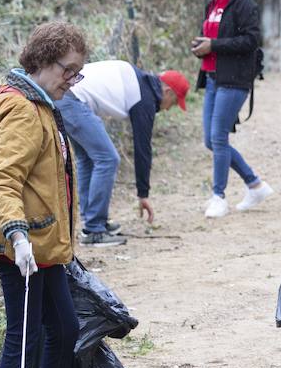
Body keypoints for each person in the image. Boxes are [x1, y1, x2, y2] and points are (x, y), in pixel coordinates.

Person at [0, 21, 107, 368]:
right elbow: (3, 178)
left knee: (65, 329)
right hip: (21, 248)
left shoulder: (41, 104)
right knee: (24, 337)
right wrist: (16, 233)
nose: (72, 80)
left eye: (78, 72)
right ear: (41, 62)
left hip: (44, 245)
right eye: (68, 70)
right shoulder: (21, 109)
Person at [54, 60, 190, 245]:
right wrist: (143, 194)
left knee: (88, 159)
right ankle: (94, 228)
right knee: (108, 158)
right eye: (173, 103)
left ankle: (92, 223)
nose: (167, 109)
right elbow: (142, 149)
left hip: (63, 94)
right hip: (71, 99)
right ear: (168, 92)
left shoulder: (142, 84)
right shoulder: (145, 98)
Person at [190, 0, 274, 219]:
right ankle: (255, 185)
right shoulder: (212, 4)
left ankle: (219, 196)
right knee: (211, 140)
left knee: (219, 137)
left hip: (234, 79)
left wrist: (213, 44)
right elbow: (215, 39)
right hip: (213, 78)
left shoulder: (243, 4)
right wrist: (203, 45)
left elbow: (251, 41)